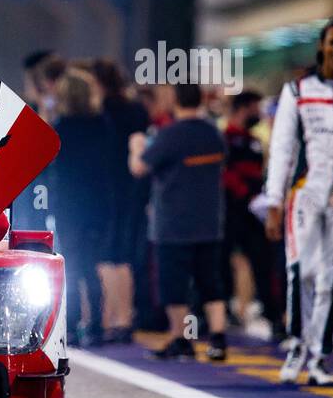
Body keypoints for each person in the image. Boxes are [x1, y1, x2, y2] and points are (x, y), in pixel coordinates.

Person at [264, 19, 333, 385]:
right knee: (300, 271)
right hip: (306, 191)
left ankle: (320, 358)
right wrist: (274, 201)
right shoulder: (297, 89)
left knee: (331, 276)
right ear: (322, 47)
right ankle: (296, 346)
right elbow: (282, 148)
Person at [130, 81, 229, 361]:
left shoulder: (169, 135)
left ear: (175, 100)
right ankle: (218, 338)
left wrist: (135, 146)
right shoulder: (213, 134)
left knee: (174, 285)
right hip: (209, 221)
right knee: (211, 281)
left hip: (172, 223)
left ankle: (180, 337)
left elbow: (139, 167)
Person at [50, 68, 115, 347]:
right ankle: (98, 325)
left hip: (69, 203)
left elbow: (54, 168)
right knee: (91, 265)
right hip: (98, 201)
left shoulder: (61, 127)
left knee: (73, 265)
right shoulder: (103, 124)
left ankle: (74, 324)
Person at [222, 90, 284, 340]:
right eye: (255, 107)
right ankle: (216, 315)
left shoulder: (255, 141)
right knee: (220, 264)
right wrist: (246, 194)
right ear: (243, 108)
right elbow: (223, 172)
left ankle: (275, 319)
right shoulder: (225, 138)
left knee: (263, 264)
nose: (259, 113)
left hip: (254, 214)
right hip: (230, 210)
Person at [96, 58, 149, 343]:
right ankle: (126, 317)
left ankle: (110, 318)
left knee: (106, 254)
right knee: (124, 253)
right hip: (133, 188)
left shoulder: (100, 111)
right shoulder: (137, 109)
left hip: (106, 188)